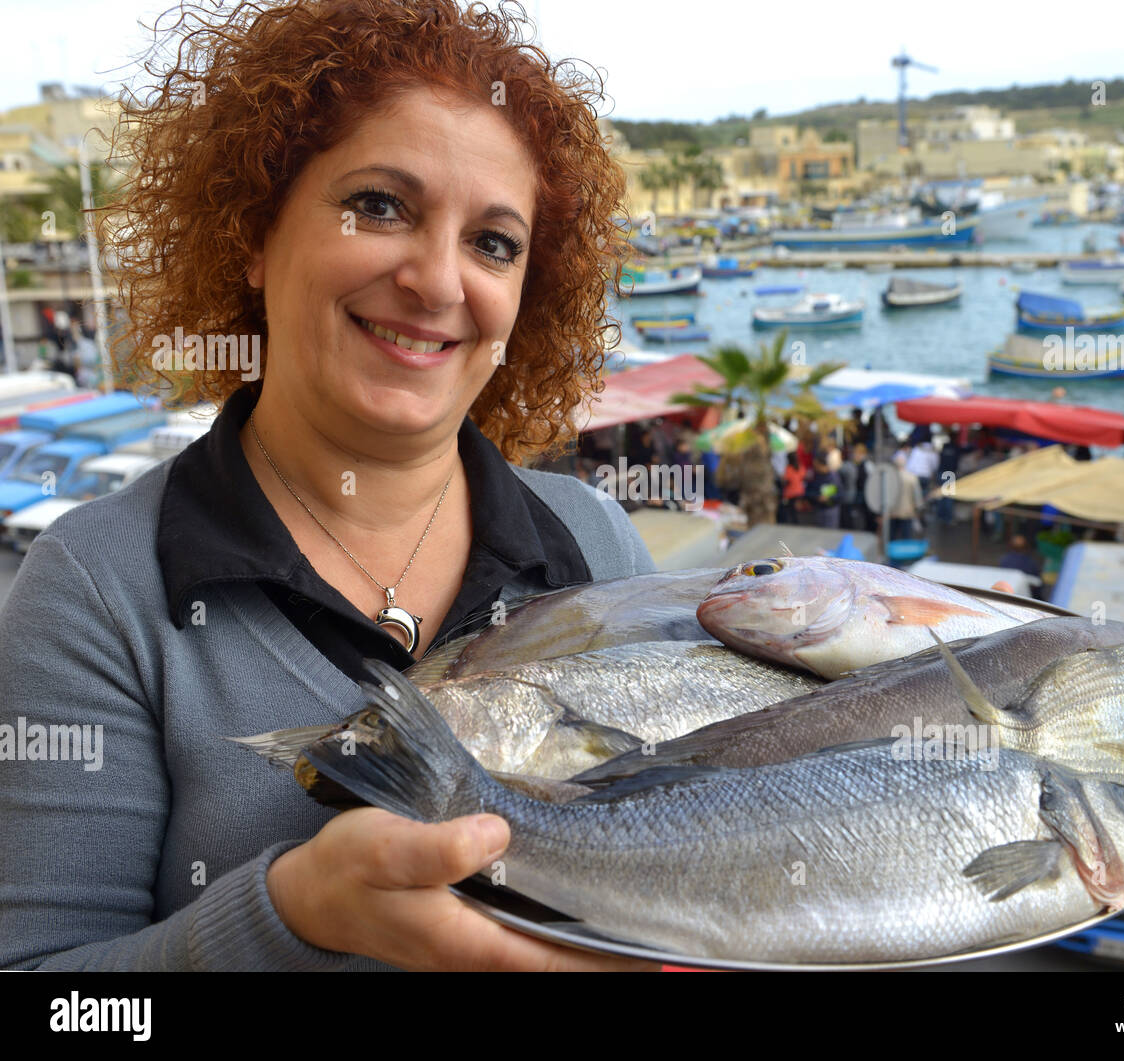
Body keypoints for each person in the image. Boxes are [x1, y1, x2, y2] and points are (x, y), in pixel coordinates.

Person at [0, 0, 657, 973]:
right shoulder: (96, 588)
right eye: (381, 206)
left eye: (493, 242)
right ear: (256, 234)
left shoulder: (595, 540)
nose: (437, 281)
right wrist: (287, 917)